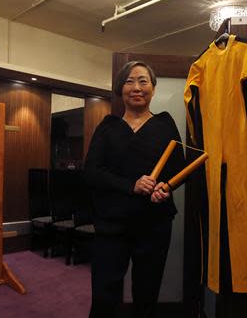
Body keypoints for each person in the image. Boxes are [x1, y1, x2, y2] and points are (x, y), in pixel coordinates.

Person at [84, 61, 185, 318]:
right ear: (120, 89)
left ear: (152, 88)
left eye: (143, 81)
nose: (137, 87)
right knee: (104, 295)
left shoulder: (165, 124)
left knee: (146, 294)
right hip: (111, 224)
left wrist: (166, 187)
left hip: (154, 223)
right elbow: (92, 173)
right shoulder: (107, 127)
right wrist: (132, 185)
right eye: (129, 81)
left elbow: (178, 169)